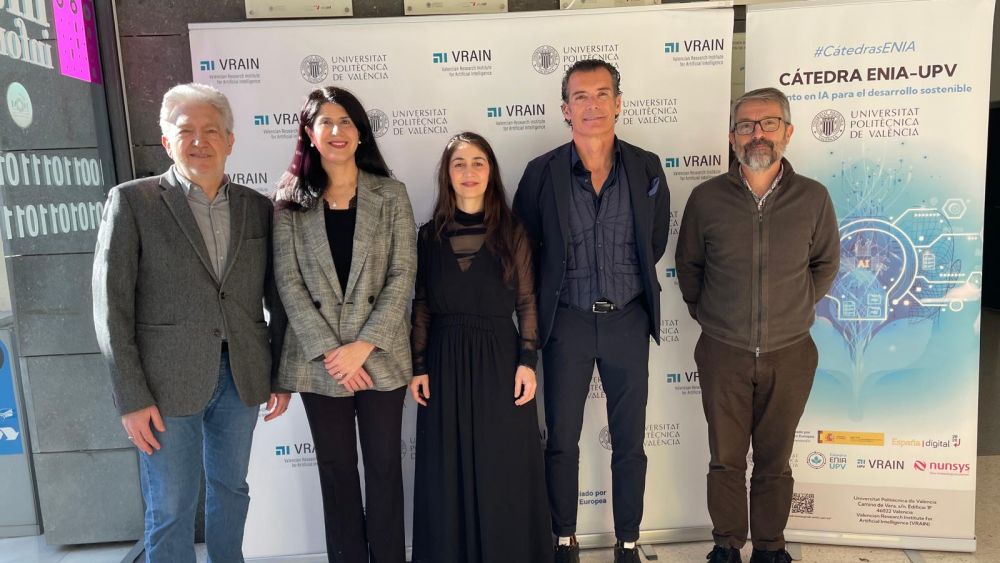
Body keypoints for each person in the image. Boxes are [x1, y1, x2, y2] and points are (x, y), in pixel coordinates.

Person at [92, 83, 290, 563]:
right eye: (186, 131)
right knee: (171, 505)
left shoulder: (258, 208)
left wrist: (281, 374)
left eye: (211, 130)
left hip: (242, 376)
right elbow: (110, 307)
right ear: (166, 141)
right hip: (164, 385)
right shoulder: (132, 203)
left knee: (232, 491)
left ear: (230, 140)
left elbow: (278, 296)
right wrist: (131, 397)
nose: (199, 141)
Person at [513, 59, 671, 563]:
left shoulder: (647, 167)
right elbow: (524, 249)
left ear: (618, 103)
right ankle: (564, 540)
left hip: (628, 319)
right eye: (580, 96)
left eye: (603, 94)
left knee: (630, 442)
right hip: (567, 323)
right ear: (566, 109)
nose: (593, 105)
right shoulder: (541, 173)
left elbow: (654, 241)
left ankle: (628, 541)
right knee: (562, 439)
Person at [675, 87, 840, 563]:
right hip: (722, 351)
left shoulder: (813, 197)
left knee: (775, 459)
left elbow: (825, 264)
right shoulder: (706, 198)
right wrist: (714, 316)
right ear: (732, 138)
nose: (757, 134)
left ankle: (769, 547)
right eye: (746, 126)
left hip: (791, 353)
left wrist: (791, 311)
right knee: (725, 458)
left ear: (788, 132)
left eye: (768, 123)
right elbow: (689, 267)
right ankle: (726, 544)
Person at [272, 86, 416, 563]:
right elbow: (288, 283)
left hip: (380, 358)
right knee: (336, 472)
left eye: (346, 121)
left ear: (360, 132)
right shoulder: (290, 201)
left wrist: (363, 346)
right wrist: (334, 354)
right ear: (309, 133)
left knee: (384, 470)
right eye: (326, 122)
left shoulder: (391, 194)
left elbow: (402, 274)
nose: (337, 131)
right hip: (319, 363)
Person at [409, 132, 552, 563]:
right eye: (459, 163)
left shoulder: (513, 231)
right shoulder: (428, 236)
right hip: (443, 360)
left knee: (502, 465)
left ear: (491, 172)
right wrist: (419, 365)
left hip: (500, 360)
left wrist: (527, 361)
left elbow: (527, 301)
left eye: (478, 162)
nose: (468, 172)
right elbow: (421, 304)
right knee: (446, 467)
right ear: (446, 174)